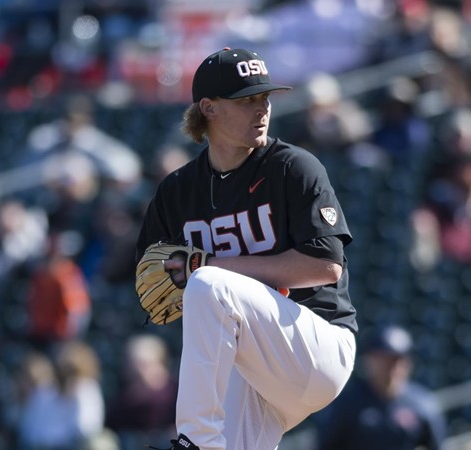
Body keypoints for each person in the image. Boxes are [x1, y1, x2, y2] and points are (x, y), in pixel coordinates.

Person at [136, 47, 358, 450]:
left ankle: (196, 441)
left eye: (265, 98)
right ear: (209, 108)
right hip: (252, 369)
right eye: (247, 100)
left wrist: (212, 267)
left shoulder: (292, 167)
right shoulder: (178, 191)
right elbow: (149, 279)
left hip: (314, 345)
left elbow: (326, 267)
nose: (262, 109)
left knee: (208, 284)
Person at [316, 324, 446, 450]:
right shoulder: (348, 403)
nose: (391, 367)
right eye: (384, 359)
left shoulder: (423, 404)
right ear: (369, 360)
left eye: (397, 360)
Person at [106, 333, 178, 449]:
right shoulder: (124, 400)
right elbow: (111, 430)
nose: (137, 370)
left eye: (143, 364)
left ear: (160, 363)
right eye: (132, 364)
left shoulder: (176, 393)